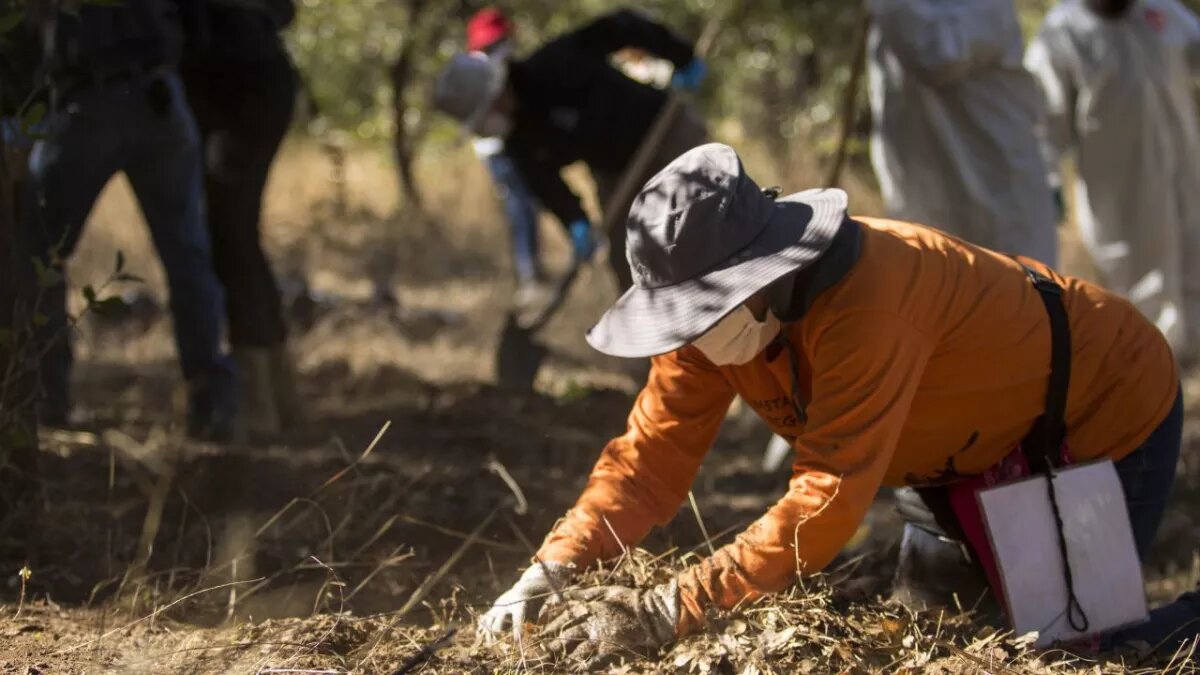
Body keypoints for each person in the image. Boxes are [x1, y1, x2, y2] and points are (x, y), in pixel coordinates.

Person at [478, 144, 1198, 665]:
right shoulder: (709, 325)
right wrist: (554, 566)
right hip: (948, 452)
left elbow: (826, 499)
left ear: (762, 275)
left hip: (1097, 404)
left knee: (1080, 652)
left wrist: (667, 607)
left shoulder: (873, 304)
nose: (690, 340)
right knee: (943, 639)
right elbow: (648, 460)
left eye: (702, 314)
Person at [23, 0, 238, 441]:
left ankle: (43, 399)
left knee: (36, 251)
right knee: (188, 256)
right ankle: (213, 404)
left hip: (94, 102)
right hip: (157, 96)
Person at [434, 8, 708, 292]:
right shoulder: (519, 140)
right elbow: (546, 185)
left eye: (482, 116)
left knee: (704, 221)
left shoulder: (556, 63)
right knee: (629, 261)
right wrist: (575, 222)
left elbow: (622, 25)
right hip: (616, 171)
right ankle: (658, 331)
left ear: (495, 93)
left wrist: (681, 55)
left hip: (666, 134)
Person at [1025, 0, 1200, 359]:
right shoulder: (1062, 34)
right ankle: (1155, 379)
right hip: (1120, 187)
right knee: (1139, 280)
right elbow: (1042, 121)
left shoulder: (1160, 12)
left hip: (1184, 169)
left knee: (1192, 258)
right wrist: (1048, 180)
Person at [181, 0, 299, 437]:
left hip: (241, 88)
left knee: (230, 237)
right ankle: (281, 392)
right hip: (250, 83)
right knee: (236, 236)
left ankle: (259, 404)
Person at [868, 0, 1059, 265]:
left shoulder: (986, 7)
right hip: (930, 187)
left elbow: (938, 58)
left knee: (1013, 289)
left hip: (998, 190)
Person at [462, 7, 547, 308]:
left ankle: (531, 270)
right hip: (498, 150)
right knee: (520, 206)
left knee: (523, 206)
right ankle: (528, 274)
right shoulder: (484, 68)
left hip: (506, 146)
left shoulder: (489, 64)